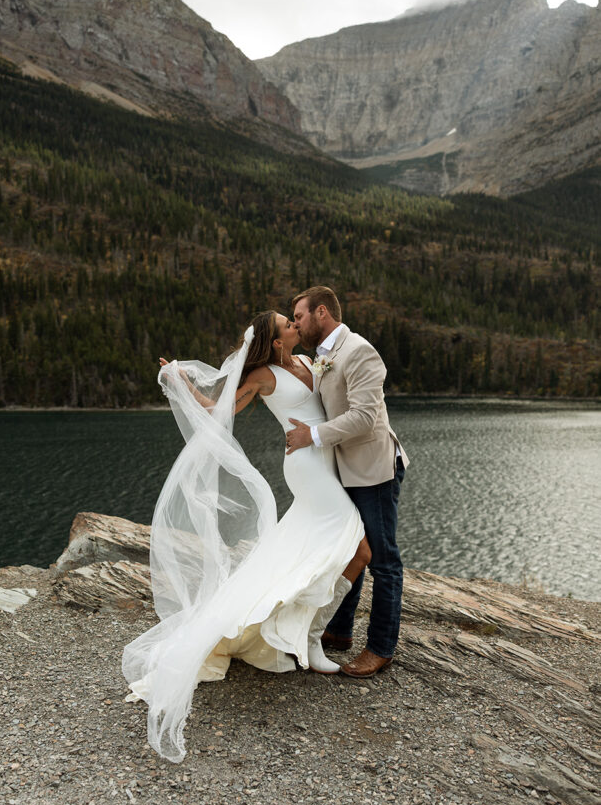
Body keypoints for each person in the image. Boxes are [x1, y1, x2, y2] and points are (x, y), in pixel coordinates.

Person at [122, 311, 371, 763]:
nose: (296, 326)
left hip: (324, 461)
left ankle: (306, 632)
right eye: (287, 325)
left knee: (317, 550)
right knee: (360, 548)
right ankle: (313, 641)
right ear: (276, 341)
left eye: (294, 321)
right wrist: (177, 377)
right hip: (307, 469)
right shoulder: (263, 374)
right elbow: (218, 409)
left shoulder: (308, 363)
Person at [287, 286, 408, 678]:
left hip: (373, 470)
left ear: (321, 312)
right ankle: (338, 631)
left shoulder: (360, 351)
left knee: (382, 559)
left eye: (300, 316)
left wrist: (312, 436)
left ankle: (381, 648)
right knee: (346, 549)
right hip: (343, 471)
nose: (297, 324)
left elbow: (364, 418)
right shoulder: (322, 356)